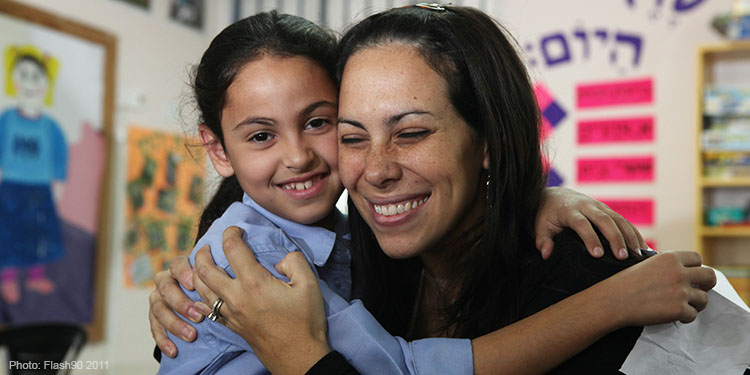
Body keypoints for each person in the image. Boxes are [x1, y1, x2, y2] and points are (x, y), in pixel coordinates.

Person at [152, 6, 715, 375]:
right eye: (354, 136)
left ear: (488, 136)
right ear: (220, 147)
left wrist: (534, 200)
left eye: (412, 132)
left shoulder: (581, 271)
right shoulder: (368, 261)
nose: (376, 170)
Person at [0, 46, 67, 305]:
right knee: (8, 233)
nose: (29, 83)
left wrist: (58, 187)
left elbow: (60, 159)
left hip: (40, 190)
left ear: (44, 85)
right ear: (15, 81)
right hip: (11, 188)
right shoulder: (6, 120)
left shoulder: (51, 127)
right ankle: (8, 278)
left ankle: (35, 275)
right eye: (23, 75)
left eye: (35, 77)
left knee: (38, 234)